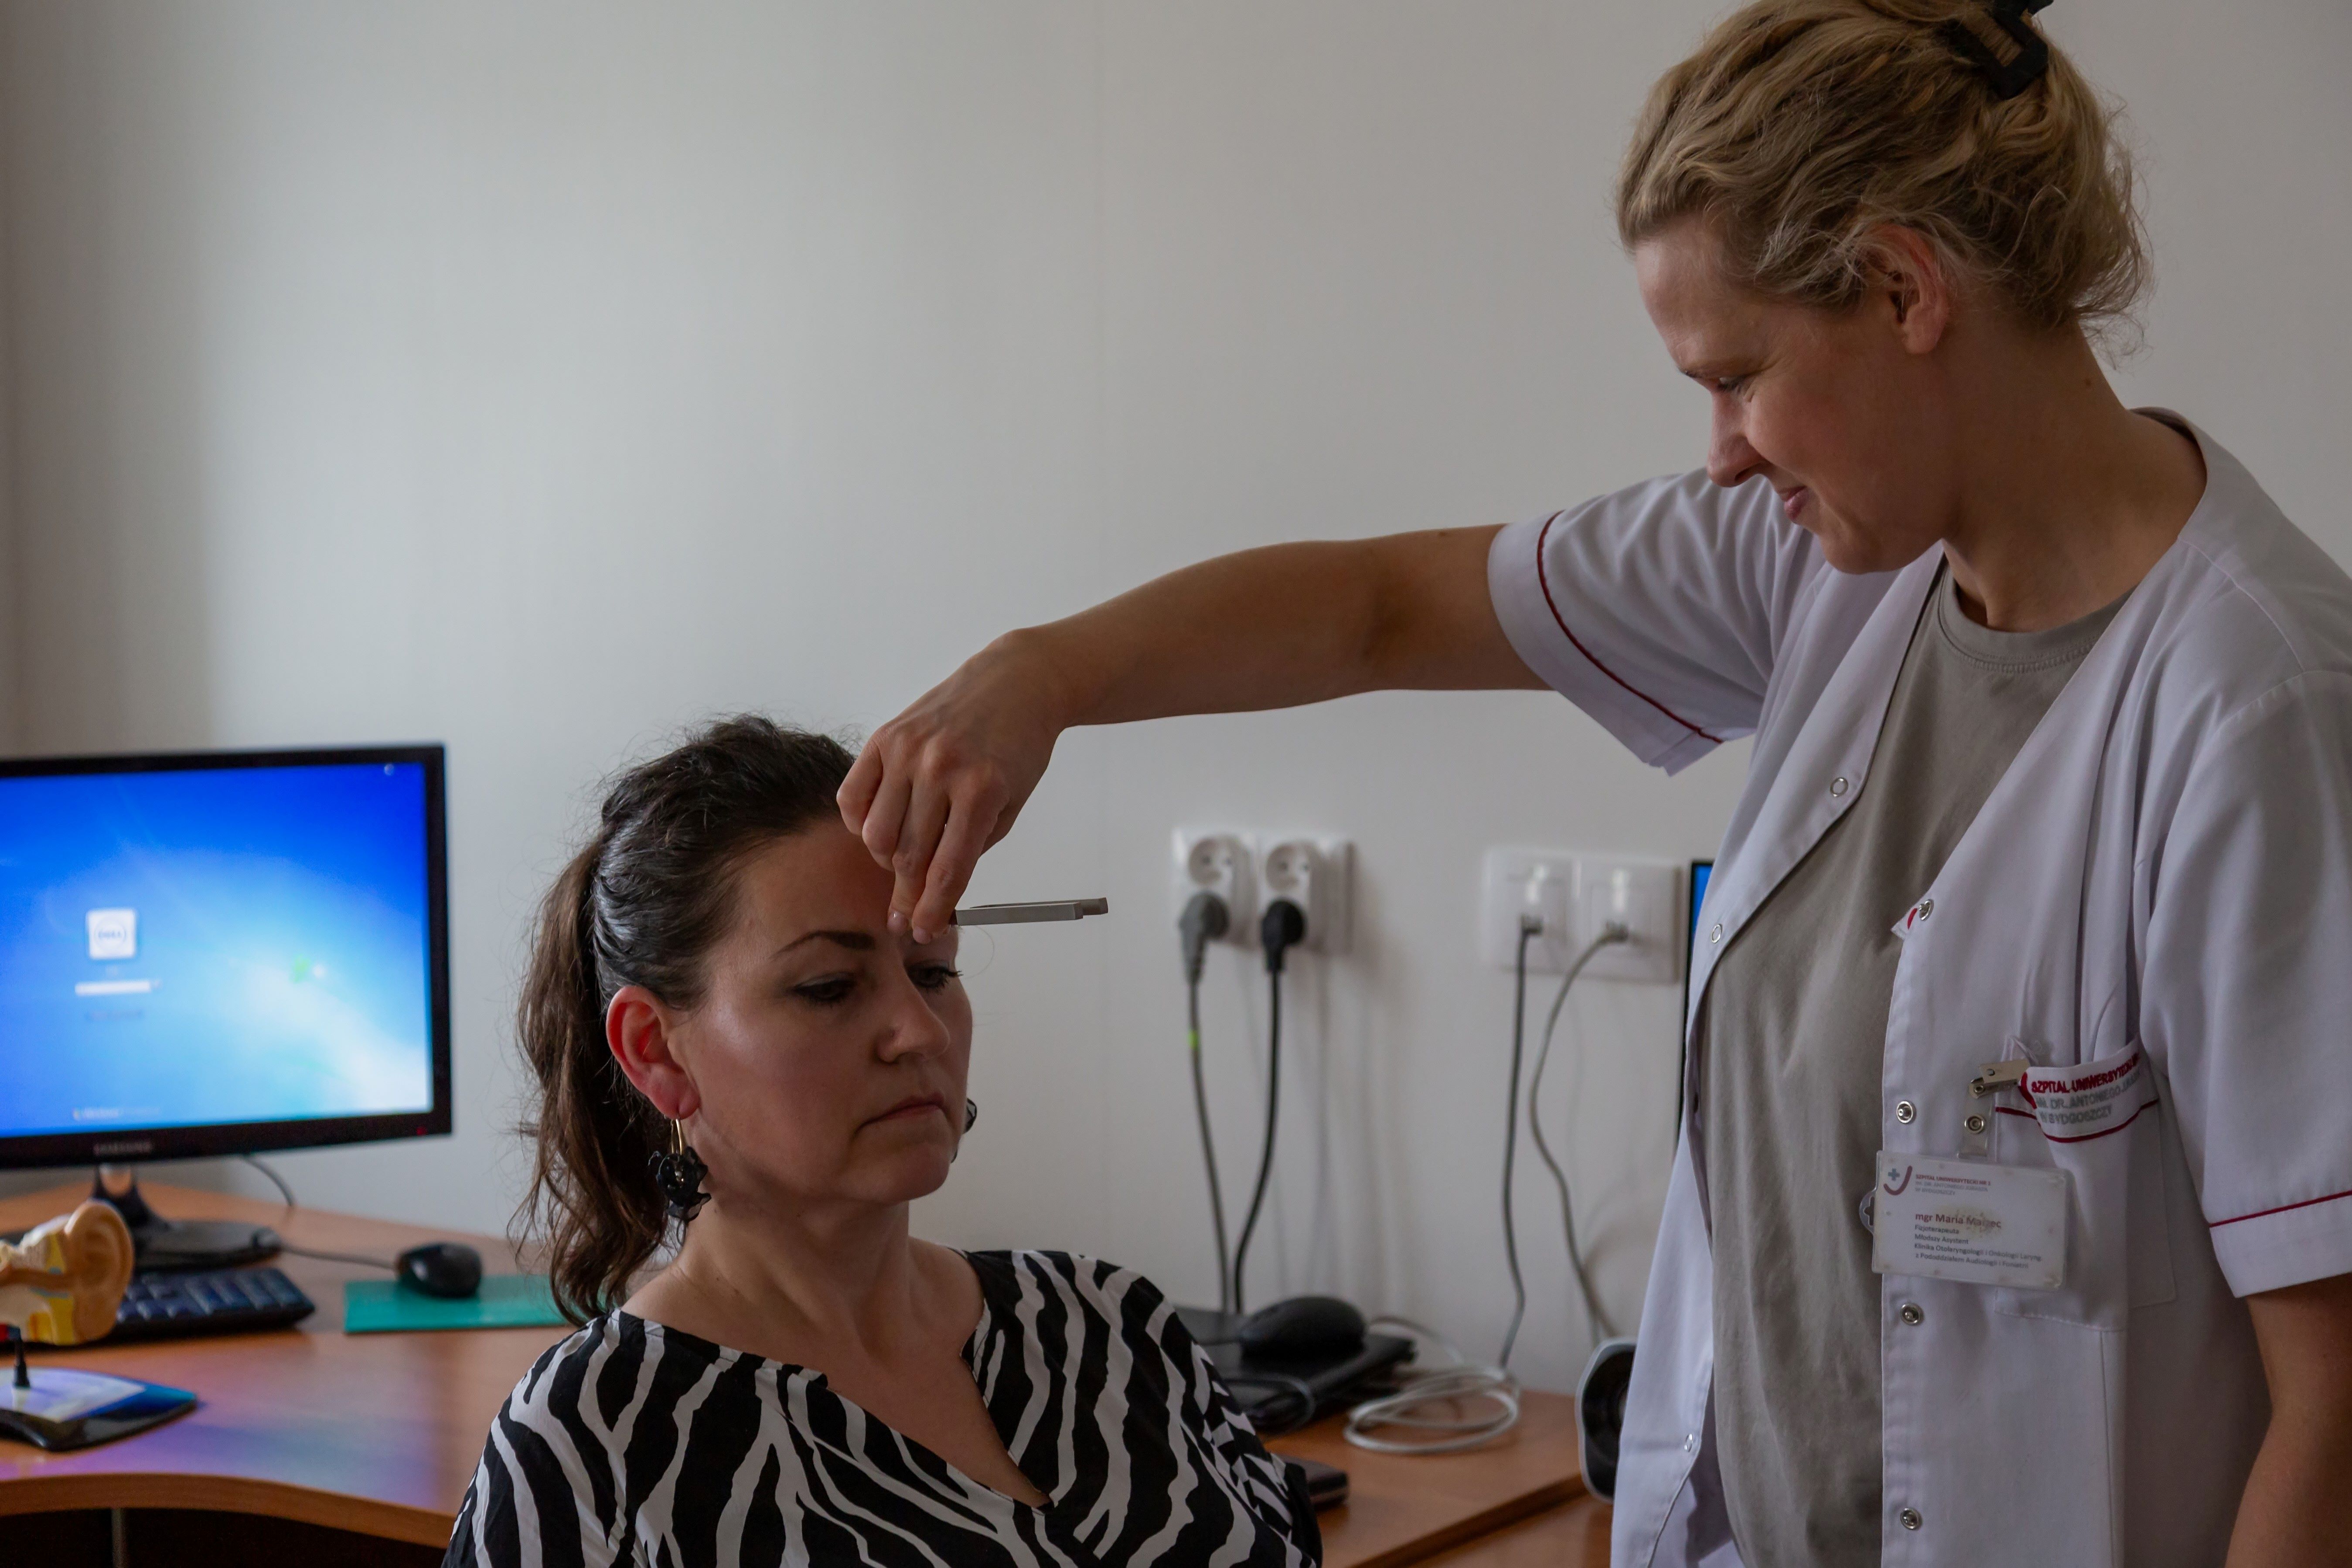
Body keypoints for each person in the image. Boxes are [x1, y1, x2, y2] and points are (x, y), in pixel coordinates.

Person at [834, 4, 2352, 1565]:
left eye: (1738, 374)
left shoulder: (2256, 707)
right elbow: (1380, 608)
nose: (1721, 451)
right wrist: (1046, 673)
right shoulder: (1821, 564)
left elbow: (2335, 1406)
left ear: (1905, 288)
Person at [446, 718, 1319, 1568]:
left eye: (934, 972)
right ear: (656, 1051)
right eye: (830, 987)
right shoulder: (595, 1442)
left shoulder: (1110, 1327)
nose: (921, 1031)